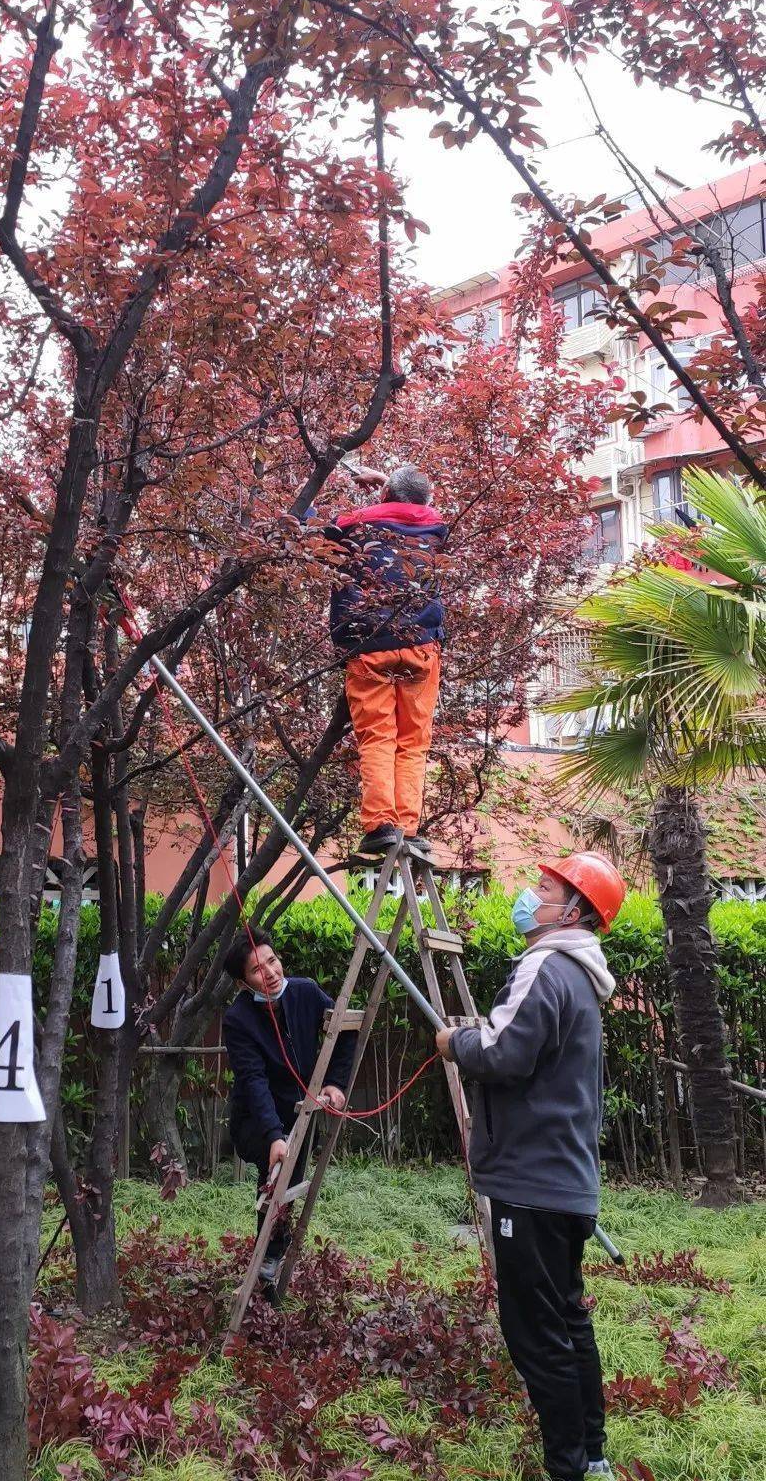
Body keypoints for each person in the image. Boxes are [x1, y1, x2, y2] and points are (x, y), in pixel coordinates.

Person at [435, 852, 627, 1481]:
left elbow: (504, 1054)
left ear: (573, 910)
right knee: (568, 1317)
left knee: (536, 1335)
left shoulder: (546, 965)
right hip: (563, 1184)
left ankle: (567, 1468)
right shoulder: (580, 976)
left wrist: (455, 1042)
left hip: (532, 1186)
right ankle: (592, 1455)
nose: (531, 894)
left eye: (545, 888)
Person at [323, 461, 448, 862]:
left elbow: (309, 527)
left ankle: (381, 826)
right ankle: (407, 828)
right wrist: (389, 486)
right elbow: (422, 504)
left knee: (378, 736)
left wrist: (382, 494)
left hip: (370, 644)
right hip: (421, 646)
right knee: (413, 742)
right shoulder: (434, 528)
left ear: (385, 496)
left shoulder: (353, 526)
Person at [222, 927, 357, 1280]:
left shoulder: (306, 992)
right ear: (242, 983)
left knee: (289, 1176)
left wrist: (335, 1082)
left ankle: (272, 1256)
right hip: (255, 1118)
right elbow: (253, 1081)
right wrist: (272, 1136)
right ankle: (266, 1264)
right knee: (276, 1175)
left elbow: (346, 1029)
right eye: (256, 970)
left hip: (298, 1112)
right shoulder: (238, 1020)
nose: (270, 973)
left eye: (272, 961)